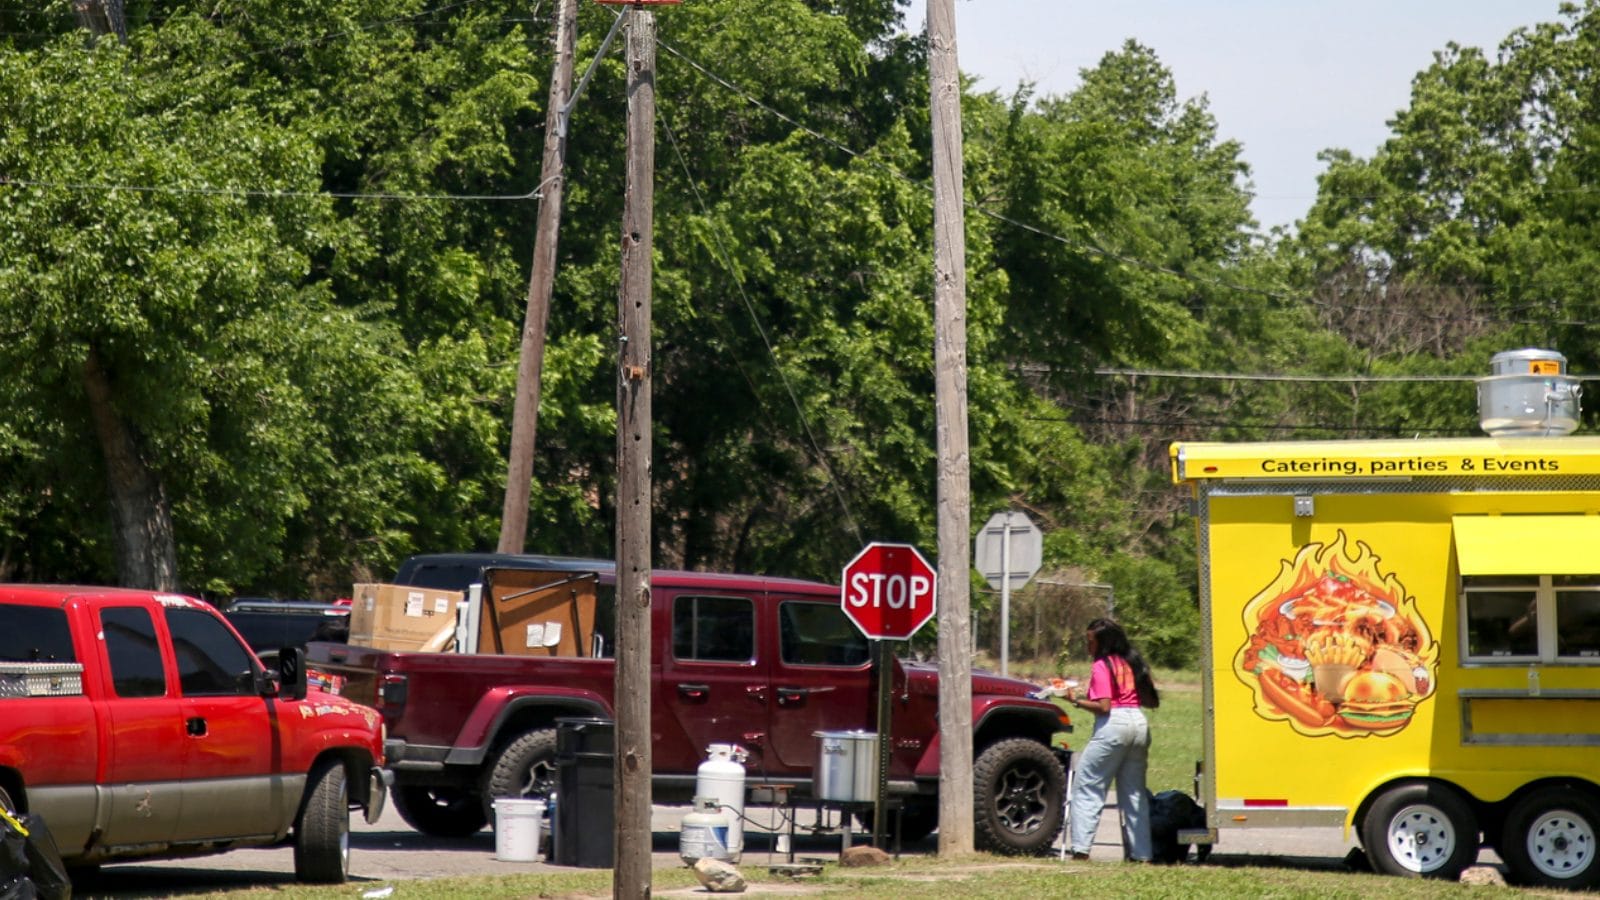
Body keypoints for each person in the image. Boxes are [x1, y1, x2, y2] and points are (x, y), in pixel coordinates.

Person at [1063, 617, 1160, 862]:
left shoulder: (1101, 665)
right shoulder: (1133, 661)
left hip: (1113, 725)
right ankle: (1142, 854)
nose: (1088, 646)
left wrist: (1074, 701)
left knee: (1088, 786)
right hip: (1138, 723)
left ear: (1104, 643)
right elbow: (1152, 701)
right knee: (1134, 794)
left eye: (1091, 641)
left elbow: (1104, 707)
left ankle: (1081, 850)